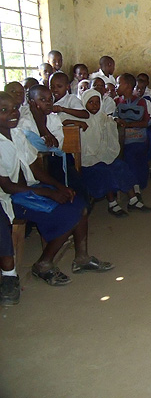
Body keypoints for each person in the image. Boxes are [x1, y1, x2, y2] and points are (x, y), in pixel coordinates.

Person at [0, 92, 113, 286]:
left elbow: (35, 168)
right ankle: (43, 264)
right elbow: (8, 186)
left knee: (79, 203)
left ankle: (82, 258)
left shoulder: (18, 134)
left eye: (14, 109)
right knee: (70, 214)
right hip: (11, 198)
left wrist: (60, 187)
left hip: (31, 189)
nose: (13, 114)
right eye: (4, 110)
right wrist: (49, 193)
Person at [68, 89, 151, 217]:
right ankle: (112, 204)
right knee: (105, 171)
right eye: (90, 102)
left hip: (102, 155)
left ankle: (133, 200)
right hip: (88, 160)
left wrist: (115, 120)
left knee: (121, 166)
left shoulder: (102, 116)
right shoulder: (81, 120)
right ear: (84, 103)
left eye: (97, 102)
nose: (95, 105)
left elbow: (109, 120)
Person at [114, 73, 150, 197]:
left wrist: (127, 125)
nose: (116, 86)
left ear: (128, 86)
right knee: (129, 160)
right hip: (121, 140)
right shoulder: (116, 101)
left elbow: (146, 123)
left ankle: (137, 186)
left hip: (139, 139)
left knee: (138, 161)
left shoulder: (141, 102)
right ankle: (134, 189)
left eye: (118, 83)